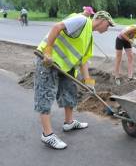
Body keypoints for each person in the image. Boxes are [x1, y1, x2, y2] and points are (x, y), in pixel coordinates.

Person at [34, 11, 115, 149]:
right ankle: (47, 135)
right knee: (46, 94)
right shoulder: (82, 21)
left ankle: (69, 122)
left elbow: (83, 61)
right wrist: (47, 51)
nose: (108, 29)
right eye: (108, 25)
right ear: (101, 20)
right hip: (49, 61)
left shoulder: (89, 37)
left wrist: (89, 83)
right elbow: (56, 27)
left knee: (69, 92)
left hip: (65, 67)